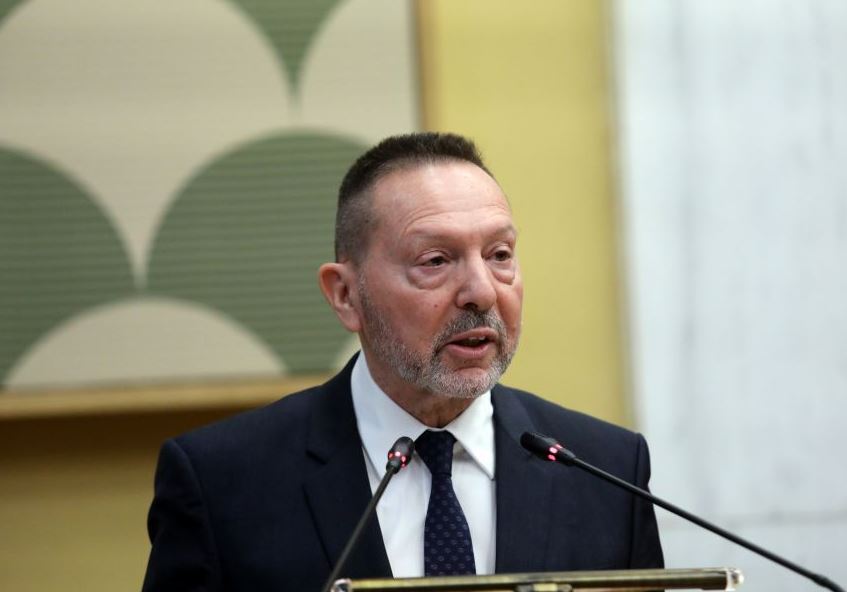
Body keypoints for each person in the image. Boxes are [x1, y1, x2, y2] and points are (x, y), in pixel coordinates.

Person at [142, 132, 663, 592]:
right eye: (435, 260)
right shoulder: (223, 483)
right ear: (345, 294)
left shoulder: (608, 471)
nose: (482, 292)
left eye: (500, 255)